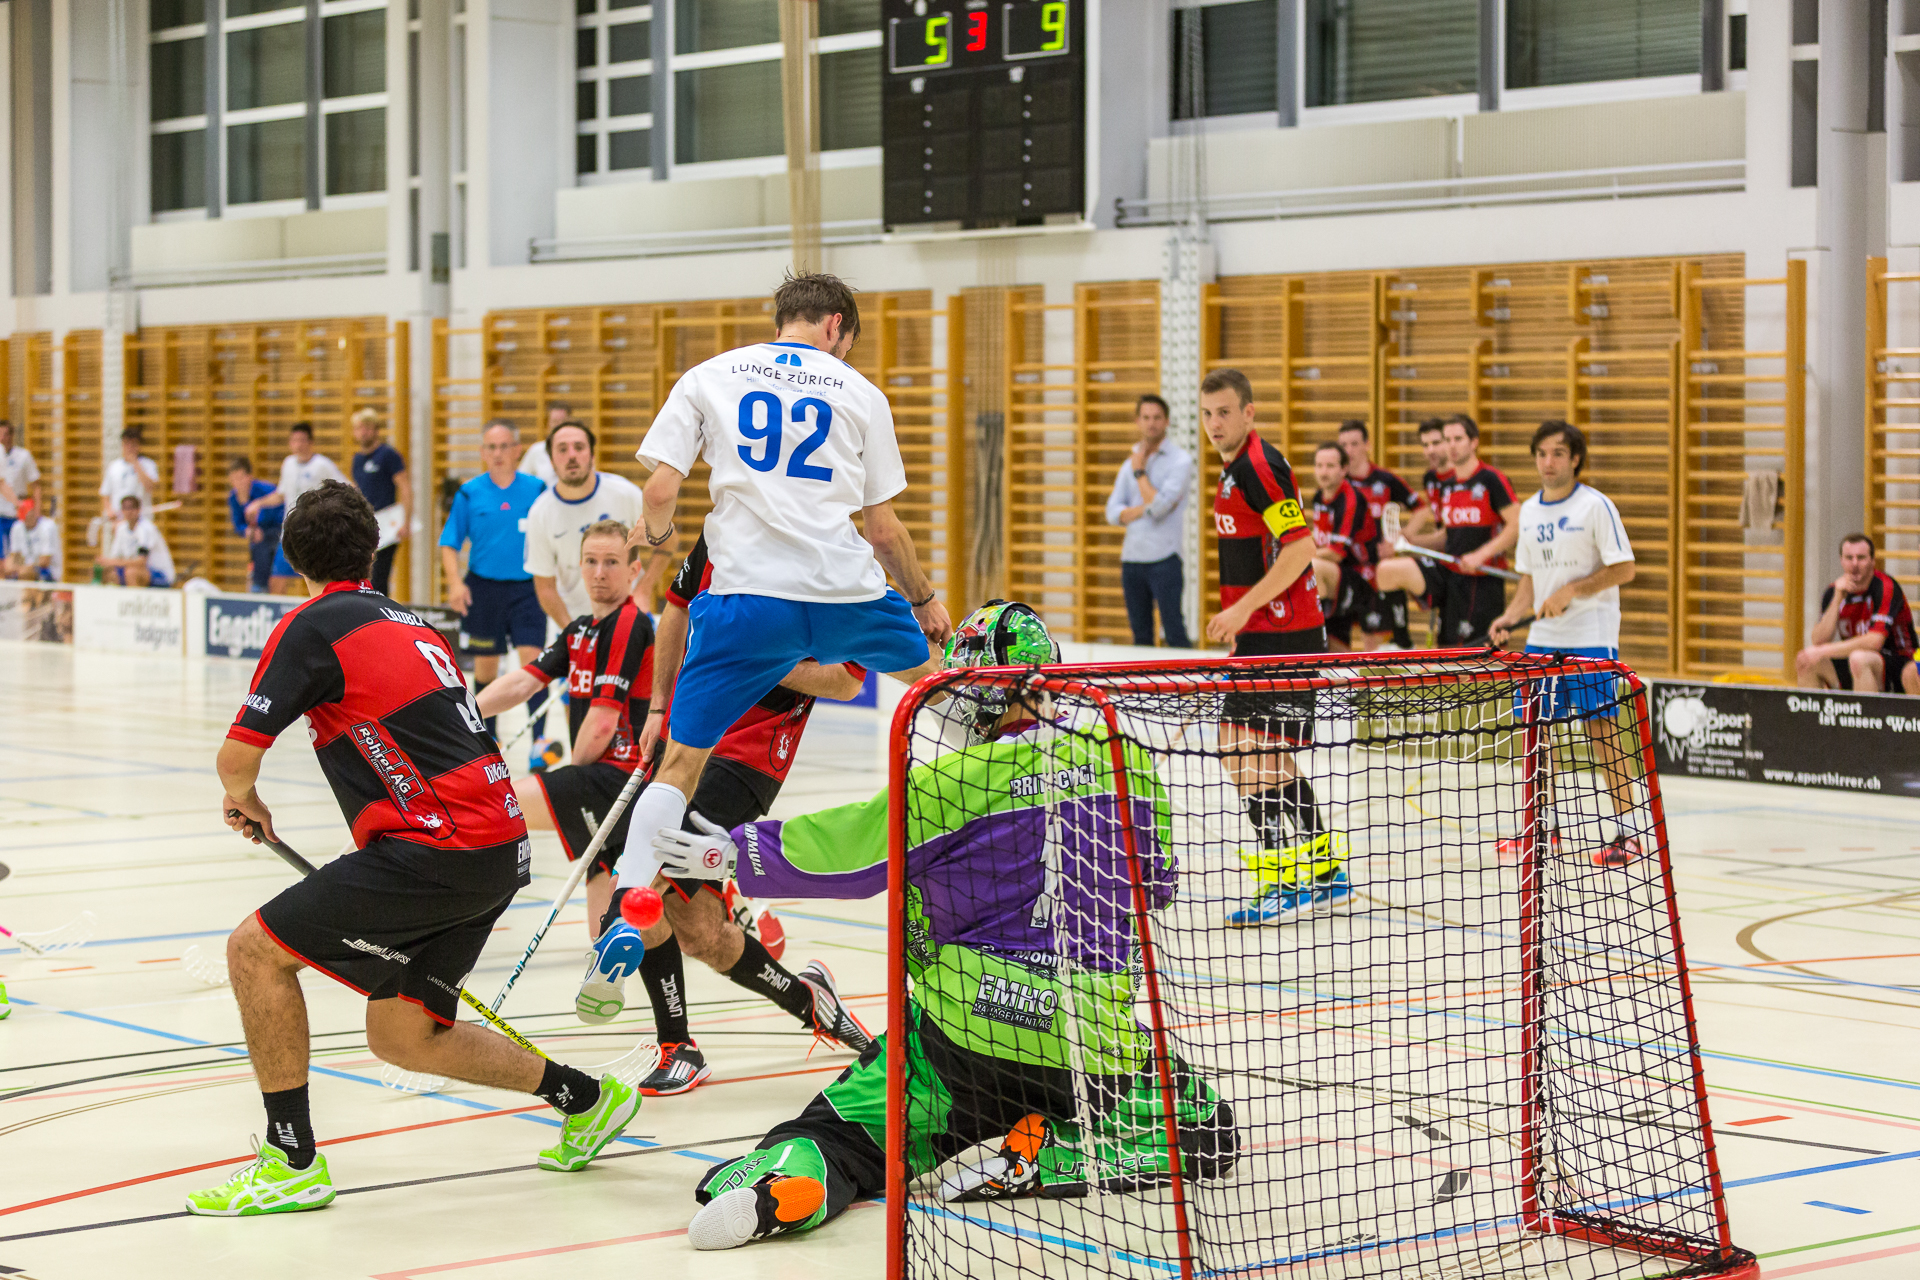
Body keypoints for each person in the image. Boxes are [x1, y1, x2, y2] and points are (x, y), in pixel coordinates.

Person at [651, 602, 1237, 1250]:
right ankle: (1066, 1145)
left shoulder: (953, 782)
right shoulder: (1123, 762)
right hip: (1089, 1042)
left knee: (846, 1132)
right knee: (1206, 1122)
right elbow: (1155, 883)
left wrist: (726, 851)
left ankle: (797, 1179)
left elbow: (855, 855)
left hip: (963, 1038)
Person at [188, 480, 639, 1217]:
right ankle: (586, 1099)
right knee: (404, 1032)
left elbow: (236, 760)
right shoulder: (416, 624)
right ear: (372, 552)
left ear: (291, 555)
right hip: (496, 846)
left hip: (438, 847)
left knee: (253, 951)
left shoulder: (314, 623)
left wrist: (247, 799)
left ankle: (290, 1158)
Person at [486, 525, 869, 1095]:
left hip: (749, 759)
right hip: (687, 737)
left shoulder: (843, 568)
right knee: (698, 932)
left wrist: (748, 657)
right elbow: (675, 613)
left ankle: (657, 1001)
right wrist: (659, 707)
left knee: (652, 868)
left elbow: (842, 682)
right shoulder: (721, 535)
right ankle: (806, 1001)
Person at [606, 273, 952, 895]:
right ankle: (1027, 767)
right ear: (836, 327)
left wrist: (655, 535)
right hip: (845, 596)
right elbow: (882, 532)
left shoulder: (711, 375)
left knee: (681, 764)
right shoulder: (863, 393)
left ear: (781, 323)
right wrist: (924, 600)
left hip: (745, 603)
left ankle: (630, 899)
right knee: (945, 681)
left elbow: (659, 491)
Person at [1199, 368, 1348, 928]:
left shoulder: (1260, 466)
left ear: (1249, 412)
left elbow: (1300, 548)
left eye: (1225, 413)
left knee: (1246, 754)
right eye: (1208, 413)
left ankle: (1281, 881)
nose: (1215, 424)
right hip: (1262, 635)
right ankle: (1324, 870)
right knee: (1250, 754)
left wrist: (1241, 609)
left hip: (1285, 636)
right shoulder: (1235, 470)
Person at [1488, 421, 1643, 868]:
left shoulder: (1596, 506)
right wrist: (1510, 617)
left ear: (1575, 458)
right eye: (1541, 453)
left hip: (1590, 639)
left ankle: (1628, 835)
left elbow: (1624, 569)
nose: (1548, 462)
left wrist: (1572, 590)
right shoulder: (1530, 511)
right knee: (1536, 735)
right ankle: (1542, 829)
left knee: (1601, 732)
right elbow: (1531, 581)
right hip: (1541, 641)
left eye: (1558, 453)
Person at [439, 420, 549, 737]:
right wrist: (455, 583)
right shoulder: (469, 493)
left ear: (516, 450)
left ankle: (540, 741)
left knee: (533, 662)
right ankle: (488, 741)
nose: (498, 453)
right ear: (482, 452)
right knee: (486, 666)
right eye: (491, 447)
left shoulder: (536, 489)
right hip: (483, 589)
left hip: (528, 589)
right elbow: (449, 543)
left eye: (504, 446)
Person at [1374, 414, 1518, 647]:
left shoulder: (1491, 479)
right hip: (1452, 578)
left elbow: (1517, 524)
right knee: (1388, 571)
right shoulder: (1448, 487)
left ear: (1474, 442)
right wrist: (1411, 542)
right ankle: (1401, 643)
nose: (1451, 445)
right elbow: (1448, 536)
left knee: (1480, 659)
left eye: (1458, 439)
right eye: (1447, 439)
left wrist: (1481, 555)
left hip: (1483, 582)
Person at [524, 420, 651, 627]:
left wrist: (643, 590)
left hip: (628, 619)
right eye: (562, 449)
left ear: (592, 455)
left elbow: (667, 543)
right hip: (572, 621)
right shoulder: (540, 512)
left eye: (579, 447)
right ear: (552, 461)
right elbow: (544, 586)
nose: (572, 455)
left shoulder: (626, 494)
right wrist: (572, 633)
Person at [1104, 393, 1195, 648]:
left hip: (1165, 558)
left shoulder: (1180, 461)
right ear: (1137, 421)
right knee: (1140, 635)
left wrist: (1140, 472)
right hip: (1132, 559)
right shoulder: (1129, 462)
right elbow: (1112, 511)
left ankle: (1191, 686)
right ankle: (1144, 689)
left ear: (1166, 421)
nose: (1151, 423)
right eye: (1145, 417)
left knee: (1174, 631)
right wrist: (1142, 509)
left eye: (1157, 417)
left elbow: (1159, 509)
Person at [1794, 533, 1920, 696]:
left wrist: (1822, 651)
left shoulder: (1885, 587)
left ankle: (1867, 719)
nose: (1854, 564)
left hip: (1899, 662)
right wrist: (1837, 600)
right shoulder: (1834, 591)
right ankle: (1810, 721)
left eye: (1861, 558)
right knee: (1806, 660)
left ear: (1873, 561)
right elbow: (1818, 640)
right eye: (1849, 557)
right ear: (1841, 560)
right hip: (1857, 661)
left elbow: (1874, 641)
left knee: (1859, 659)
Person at [1336, 419, 1419, 648]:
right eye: (1343, 445)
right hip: (1348, 570)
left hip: (1379, 572)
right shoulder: (1338, 484)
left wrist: (1402, 537)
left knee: (1376, 641)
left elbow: (1422, 509)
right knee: (1336, 636)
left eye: (1354, 444)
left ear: (1367, 445)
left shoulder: (1385, 480)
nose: (1348, 450)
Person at [250, 422, 347, 594]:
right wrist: (258, 503)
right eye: (294, 440)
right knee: (277, 579)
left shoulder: (322, 465)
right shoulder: (288, 464)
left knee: (317, 580)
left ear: (311, 442)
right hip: (290, 532)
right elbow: (280, 494)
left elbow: (347, 488)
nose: (298, 444)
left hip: (315, 533)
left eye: (302, 440)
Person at [1306, 442, 1382, 652]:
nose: (1323, 472)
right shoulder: (1318, 497)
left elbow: (1335, 553)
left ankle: (1307, 635)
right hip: (1339, 576)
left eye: (1330, 466)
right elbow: (1318, 540)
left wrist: (1296, 558)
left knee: (1311, 567)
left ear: (1344, 469)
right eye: (1319, 465)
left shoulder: (1352, 498)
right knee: (1333, 645)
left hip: (1364, 577)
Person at [349, 409, 411, 597]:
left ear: (376, 430)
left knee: (379, 576)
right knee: (361, 576)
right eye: (359, 428)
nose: (363, 432)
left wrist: (405, 521)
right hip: (365, 525)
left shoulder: (388, 455)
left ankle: (380, 617)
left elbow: (405, 488)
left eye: (367, 428)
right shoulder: (357, 459)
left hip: (387, 525)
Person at [227, 457, 283, 594]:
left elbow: (279, 514)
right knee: (259, 548)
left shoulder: (267, 490)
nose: (238, 483)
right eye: (234, 479)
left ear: (249, 476)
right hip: (257, 539)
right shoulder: (233, 497)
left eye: (241, 478)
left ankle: (260, 586)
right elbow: (238, 524)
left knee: (264, 548)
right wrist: (247, 531)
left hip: (276, 531)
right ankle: (259, 586)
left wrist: (259, 527)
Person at [98, 495, 175, 587]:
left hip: (160, 574)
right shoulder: (121, 529)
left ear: (138, 510)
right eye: (125, 508)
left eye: (131, 508)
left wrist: (111, 561)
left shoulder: (146, 529)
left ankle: (134, 600)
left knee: (131, 573)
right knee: (103, 572)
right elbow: (115, 557)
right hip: (134, 569)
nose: (128, 512)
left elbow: (141, 561)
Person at [100, 426, 159, 522]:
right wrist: (110, 512)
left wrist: (136, 464)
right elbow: (105, 494)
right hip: (120, 521)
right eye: (127, 444)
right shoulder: (114, 466)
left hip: (142, 520)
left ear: (139, 445)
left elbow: (150, 487)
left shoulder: (148, 465)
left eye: (133, 444)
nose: (130, 448)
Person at [0, 419, 43, 548]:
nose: (2, 438)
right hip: (1, 512)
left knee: (18, 554)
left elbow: (36, 486)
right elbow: (2, 484)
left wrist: (37, 512)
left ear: (12, 435)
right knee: (2, 560)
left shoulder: (23, 456)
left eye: (6, 434)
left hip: (18, 514)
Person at [2, 498, 59, 581]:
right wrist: (14, 566)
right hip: (26, 567)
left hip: (47, 570)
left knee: (27, 573)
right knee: (8, 571)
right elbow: (17, 556)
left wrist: (26, 567)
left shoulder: (47, 527)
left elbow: (45, 561)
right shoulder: (17, 527)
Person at [518, 404, 568, 488]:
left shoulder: (576, 452)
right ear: (548, 424)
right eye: (555, 421)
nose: (559, 425)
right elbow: (522, 478)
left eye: (562, 421)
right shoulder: (537, 450)